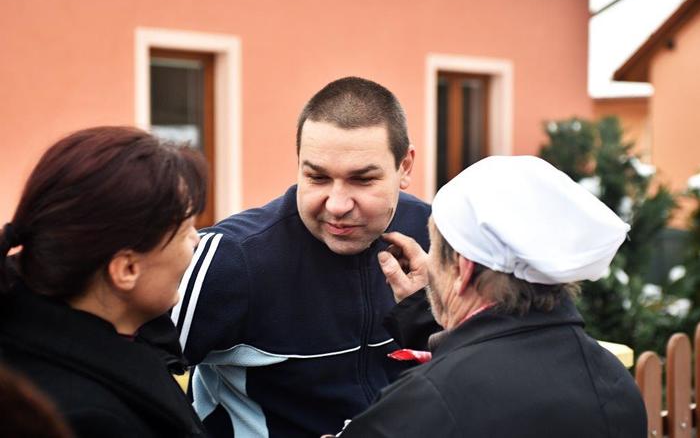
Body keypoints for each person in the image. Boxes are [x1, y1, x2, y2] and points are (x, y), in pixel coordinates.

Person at [171, 77, 432, 437]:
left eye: (362, 180)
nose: (337, 205)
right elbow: (125, 377)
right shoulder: (230, 258)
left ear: (405, 167)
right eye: (317, 177)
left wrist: (428, 315)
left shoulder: (435, 234)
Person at [334, 155, 647, 437]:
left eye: (435, 250)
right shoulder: (616, 383)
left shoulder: (423, 405)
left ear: (463, 268)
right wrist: (420, 309)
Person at [0, 126, 209, 437]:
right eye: (186, 230)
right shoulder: (81, 419)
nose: (196, 240)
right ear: (126, 269)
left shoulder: (38, 340)